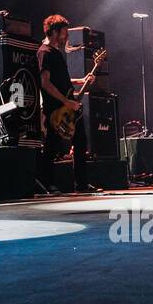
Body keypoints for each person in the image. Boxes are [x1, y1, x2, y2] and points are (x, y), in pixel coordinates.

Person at [38, 15, 94, 191]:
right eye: (64, 33)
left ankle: (82, 184)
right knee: (52, 146)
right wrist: (66, 102)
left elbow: (61, 80)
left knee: (80, 142)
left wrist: (80, 81)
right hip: (56, 109)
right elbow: (45, 83)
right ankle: (45, 183)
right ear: (54, 32)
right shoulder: (44, 52)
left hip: (67, 106)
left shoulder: (56, 53)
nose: (67, 37)